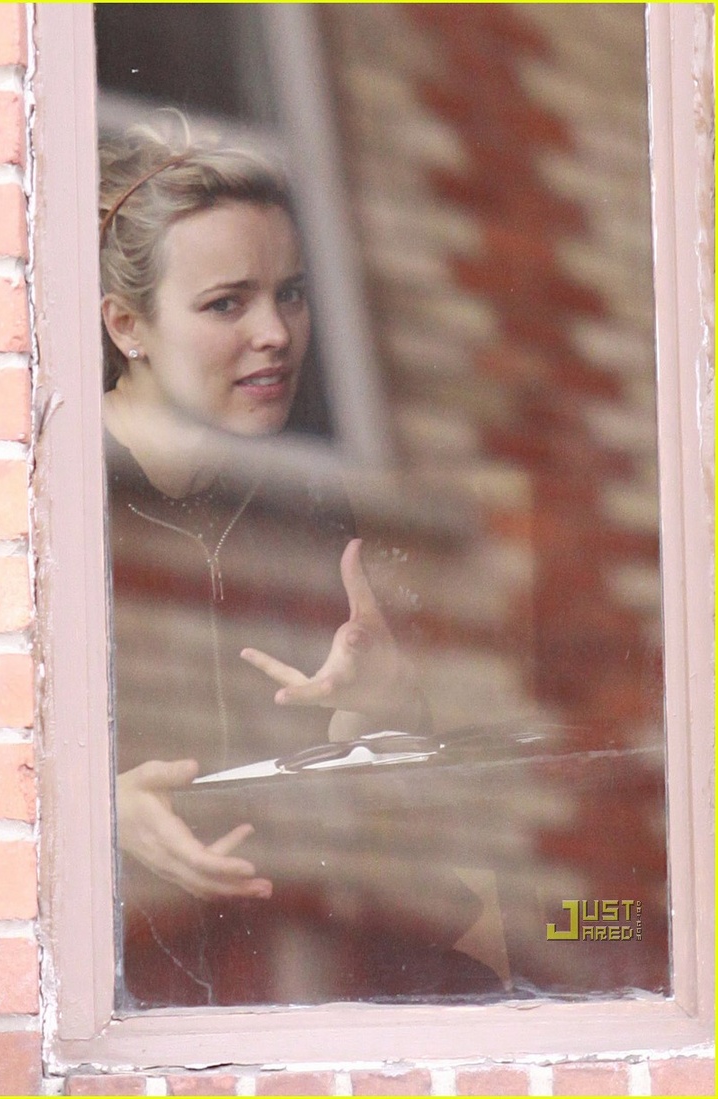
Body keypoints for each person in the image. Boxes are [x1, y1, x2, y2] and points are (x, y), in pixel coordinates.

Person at [100, 117, 501, 1005]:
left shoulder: (313, 508)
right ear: (128, 325)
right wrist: (93, 812)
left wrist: (387, 698)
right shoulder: (39, 497)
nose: (276, 333)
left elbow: (403, 809)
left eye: (291, 294)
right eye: (226, 304)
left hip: (303, 979)